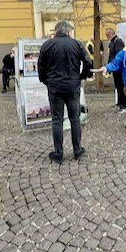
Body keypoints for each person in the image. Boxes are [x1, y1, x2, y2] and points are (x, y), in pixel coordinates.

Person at [38, 21, 92, 163]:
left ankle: (58, 153)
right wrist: (82, 76)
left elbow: (41, 67)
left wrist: (46, 81)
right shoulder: (77, 44)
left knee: (57, 120)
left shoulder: (47, 45)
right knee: (75, 119)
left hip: (55, 87)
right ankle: (77, 150)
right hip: (72, 86)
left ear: (56, 31)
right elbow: (88, 63)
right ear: (68, 31)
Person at [105, 27, 126, 112]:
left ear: (111, 33)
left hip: (119, 68)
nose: (106, 36)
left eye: (107, 34)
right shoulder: (112, 42)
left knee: (121, 86)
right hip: (114, 67)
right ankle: (119, 103)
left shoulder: (118, 41)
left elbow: (119, 55)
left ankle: (123, 105)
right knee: (117, 86)